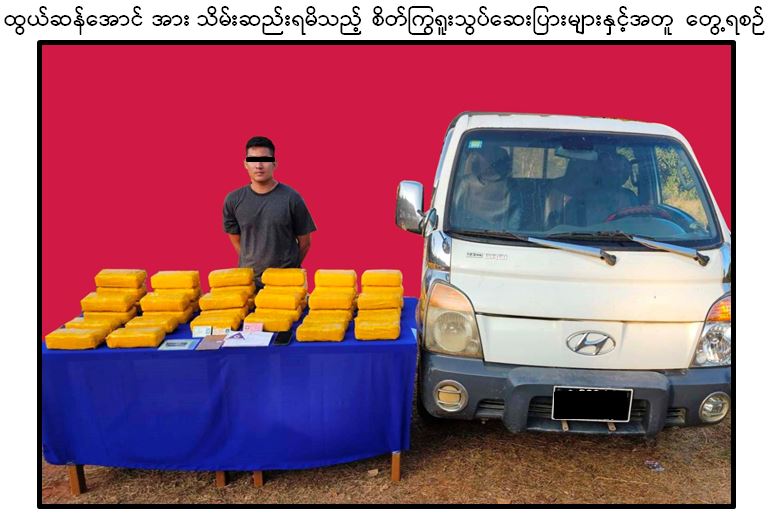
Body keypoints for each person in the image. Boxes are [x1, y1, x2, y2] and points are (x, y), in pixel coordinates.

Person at [223, 136, 316, 289]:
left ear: (275, 163)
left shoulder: (292, 198)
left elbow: (305, 242)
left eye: (265, 159)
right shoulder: (233, 200)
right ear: (245, 164)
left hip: (286, 284)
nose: (259, 165)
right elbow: (236, 239)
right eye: (253, 160)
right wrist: (251, 262)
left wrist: (289, 269)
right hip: (249, 283)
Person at [452, 144, 522, 231]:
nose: (491, 163)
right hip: (466, 234)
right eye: (486, 157)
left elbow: (515, 224)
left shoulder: (510, 186)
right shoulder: (466, 184)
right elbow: (454, 214)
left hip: (504, 236)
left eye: (495, 159)